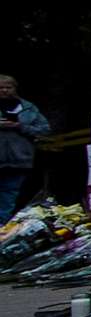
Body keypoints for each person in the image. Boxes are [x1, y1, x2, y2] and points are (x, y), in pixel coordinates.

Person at [0, 76, 51, 216]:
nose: (4, 90)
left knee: (9, 195)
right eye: (0, 88)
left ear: (15, 88)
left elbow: (45, 129)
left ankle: (1, 227)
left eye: (8, 87)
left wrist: (20, 126)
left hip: (18, 160)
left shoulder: (28, 108)